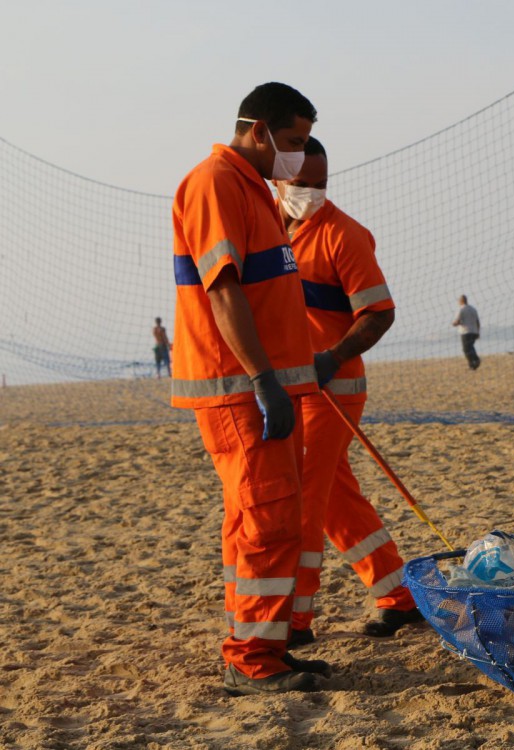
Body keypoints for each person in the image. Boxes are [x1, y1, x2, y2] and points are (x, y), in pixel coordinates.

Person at [172, 82, 331, 695]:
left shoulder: (253, 187)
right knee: (268, 520)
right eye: (292, 140)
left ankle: (262, 645)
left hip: (267, 386)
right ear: (258, 131)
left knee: (257, 519)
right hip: (241, 388)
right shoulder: (215, 182)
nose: (298, 155)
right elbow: (222, 289)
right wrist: (264, 378)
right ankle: (252, 658)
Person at [273, 137, 424, 646]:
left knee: (304, 502)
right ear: (278, 179)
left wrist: (331, 357)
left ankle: (293, 622)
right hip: (288, 390)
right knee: (336, 500)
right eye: (301, 184)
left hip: (332, 391)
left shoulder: (344, 235)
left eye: (320, 184)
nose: (311, 193)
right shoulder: (265, 228)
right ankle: (400, 595)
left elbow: (379, 313)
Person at [452, 295, 481, 369]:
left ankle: (475, 361)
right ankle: (473, 364)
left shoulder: (461, 309)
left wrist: (454, 324)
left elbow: (457, 321)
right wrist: (478, 332)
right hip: (474, 331)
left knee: (466, 349)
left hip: (465, 331)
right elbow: (477, 321)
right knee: (470, 347)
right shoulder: (473, 309)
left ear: (461, 301)